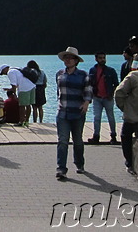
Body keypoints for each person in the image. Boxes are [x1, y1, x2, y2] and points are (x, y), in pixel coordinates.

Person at [54, 47, 92, 180]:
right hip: (62, 112)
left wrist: (86, 103)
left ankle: (79, 163)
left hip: (77, 113)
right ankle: (61, 169)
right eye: (66, 57)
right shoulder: (59, 74)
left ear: (76, 61)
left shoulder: (83, 75)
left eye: (71, 58)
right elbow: (58, 92)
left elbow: (88, 92)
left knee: (78, 141)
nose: (68, 60)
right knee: (62, 141)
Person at [87, 52, 119, 144]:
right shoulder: (92, 70)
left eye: (104, 58)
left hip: (108, 97)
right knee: (97, 117)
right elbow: (90, 84)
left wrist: (111, 94)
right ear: (96, 59)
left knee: (111, 117)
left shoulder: (111, 70)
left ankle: (113, 136)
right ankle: (96, 136)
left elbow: (116, 84)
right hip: (97, 97)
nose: (102, 60)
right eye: (100, 58)